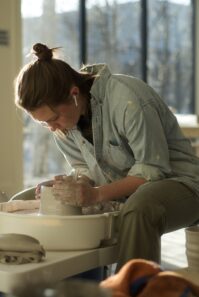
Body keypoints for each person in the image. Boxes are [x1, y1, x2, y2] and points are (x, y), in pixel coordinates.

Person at [15, 43, 199, 272]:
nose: (52, 128)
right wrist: (74, 183)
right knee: (24, 199)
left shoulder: (127, 99)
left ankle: (129, 292)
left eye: (53, 119)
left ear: (74, 94)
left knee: (140, 208)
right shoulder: (63, 124)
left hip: (182, 184)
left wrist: (95, 194)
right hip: (123, 191)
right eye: (44, 123)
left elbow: (152, 170)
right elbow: (83, 168)